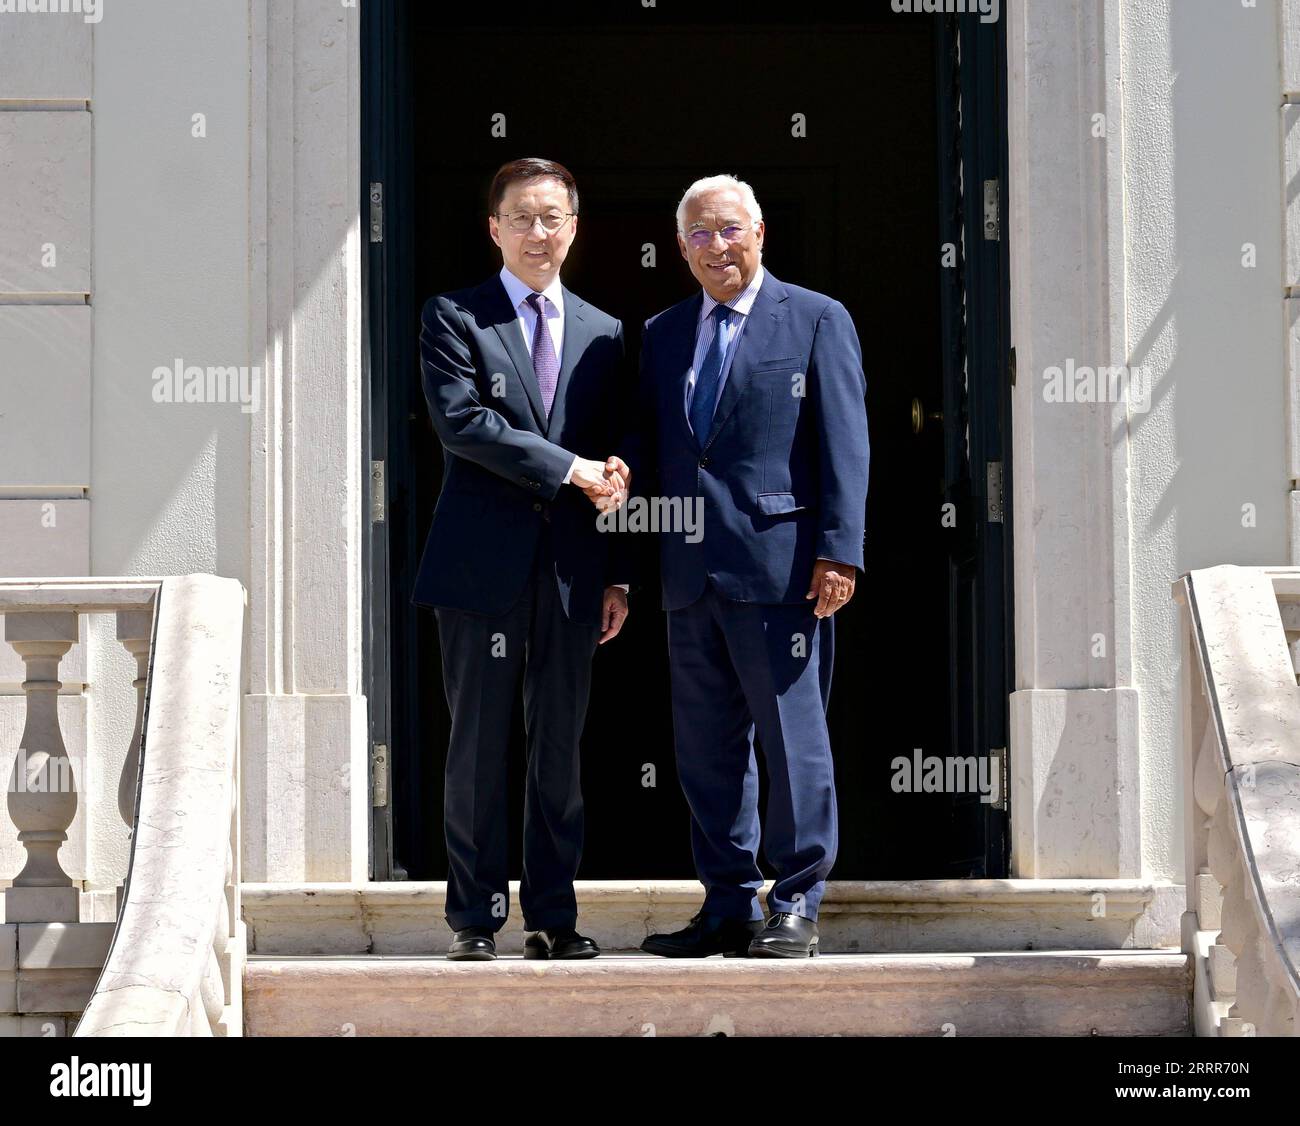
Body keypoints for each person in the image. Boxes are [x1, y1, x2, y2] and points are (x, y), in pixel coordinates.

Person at [626, 173, 869, 958]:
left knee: (793, 740)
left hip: (783, 570)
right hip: (687, 574)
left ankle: (797, 901)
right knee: (706, 751)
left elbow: (845, 442)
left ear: (761, 232)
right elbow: (658, 454)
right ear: (680, 247)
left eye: (730, 229)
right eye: (700, 233)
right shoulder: (663, 333)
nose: (717, 245)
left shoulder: (816, 319)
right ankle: (728, 904)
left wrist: (841, 551)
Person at [412, 157, 631, 961]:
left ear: (573, 228)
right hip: (480, 569)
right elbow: (461, 425)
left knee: (559, 751)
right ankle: (474, 920)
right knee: (476, 747)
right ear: (494, 229)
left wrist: (616, 569)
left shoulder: (606, 331)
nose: (539, 233)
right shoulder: (456, 317)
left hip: (573, 573)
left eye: (553, 218)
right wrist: (569, 468)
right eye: (522, 218)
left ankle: (552, 917)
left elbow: (613, 449)